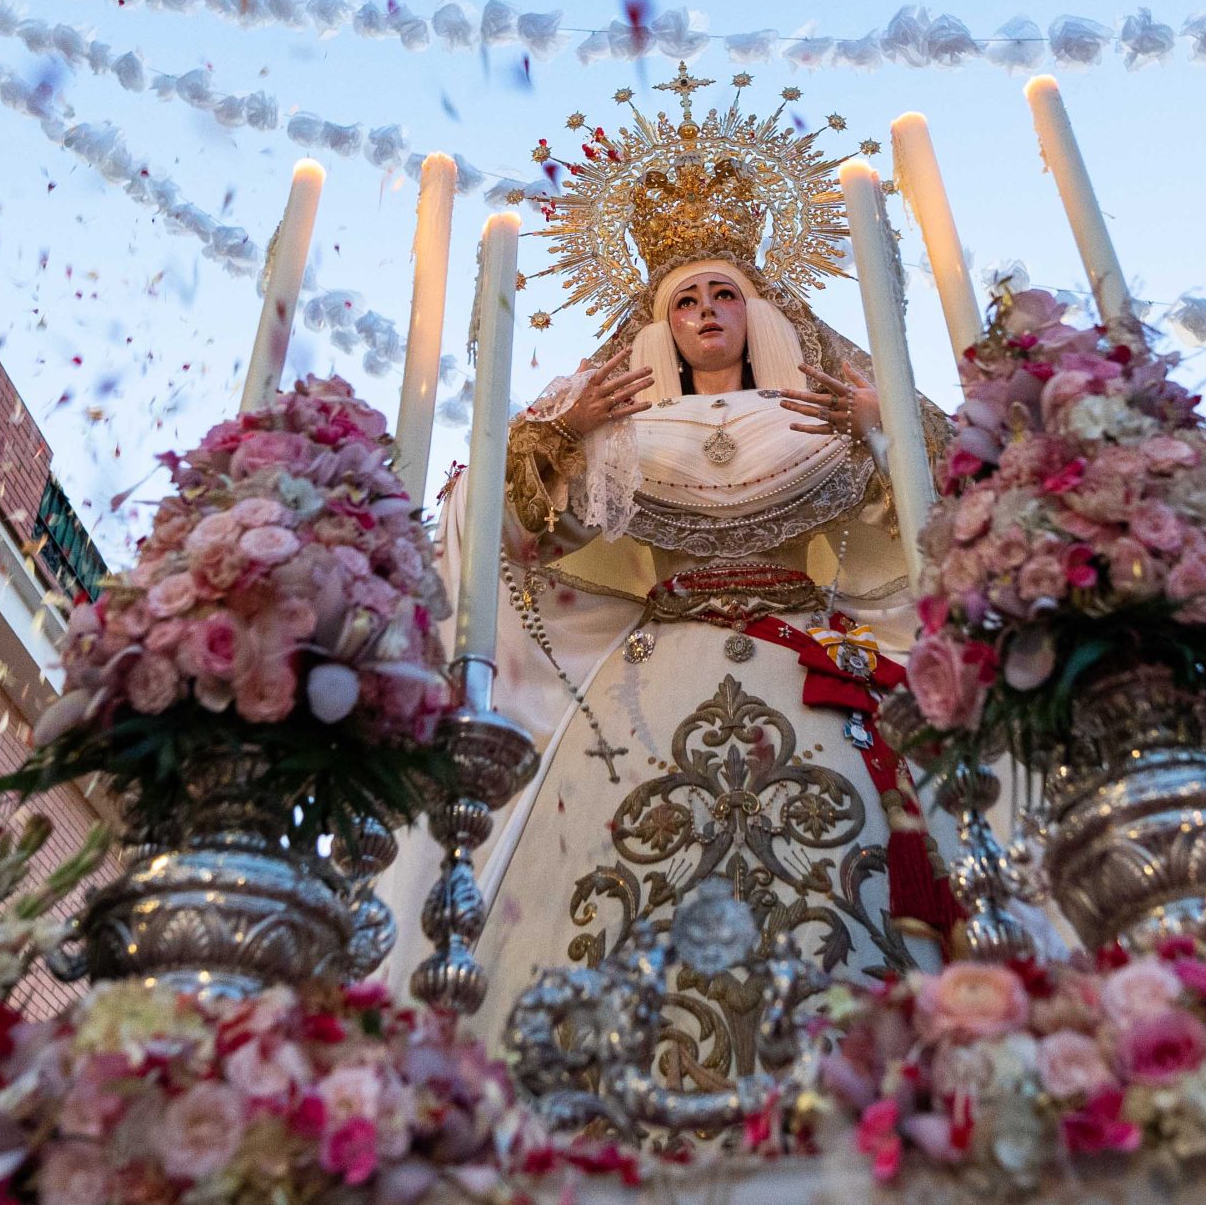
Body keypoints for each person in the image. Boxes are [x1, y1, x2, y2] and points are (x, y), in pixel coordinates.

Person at [388, 75, 956, 1086]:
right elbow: (499, 529)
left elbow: (936, 514)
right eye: (684, 297)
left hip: (814, 665)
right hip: (653, 678)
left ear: (757, 307)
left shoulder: (824, 414)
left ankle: (873, 1070)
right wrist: (554, 440)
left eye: (724, 292)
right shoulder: (615, 433)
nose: (705, 311)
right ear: (660, 321)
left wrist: (881, 428)